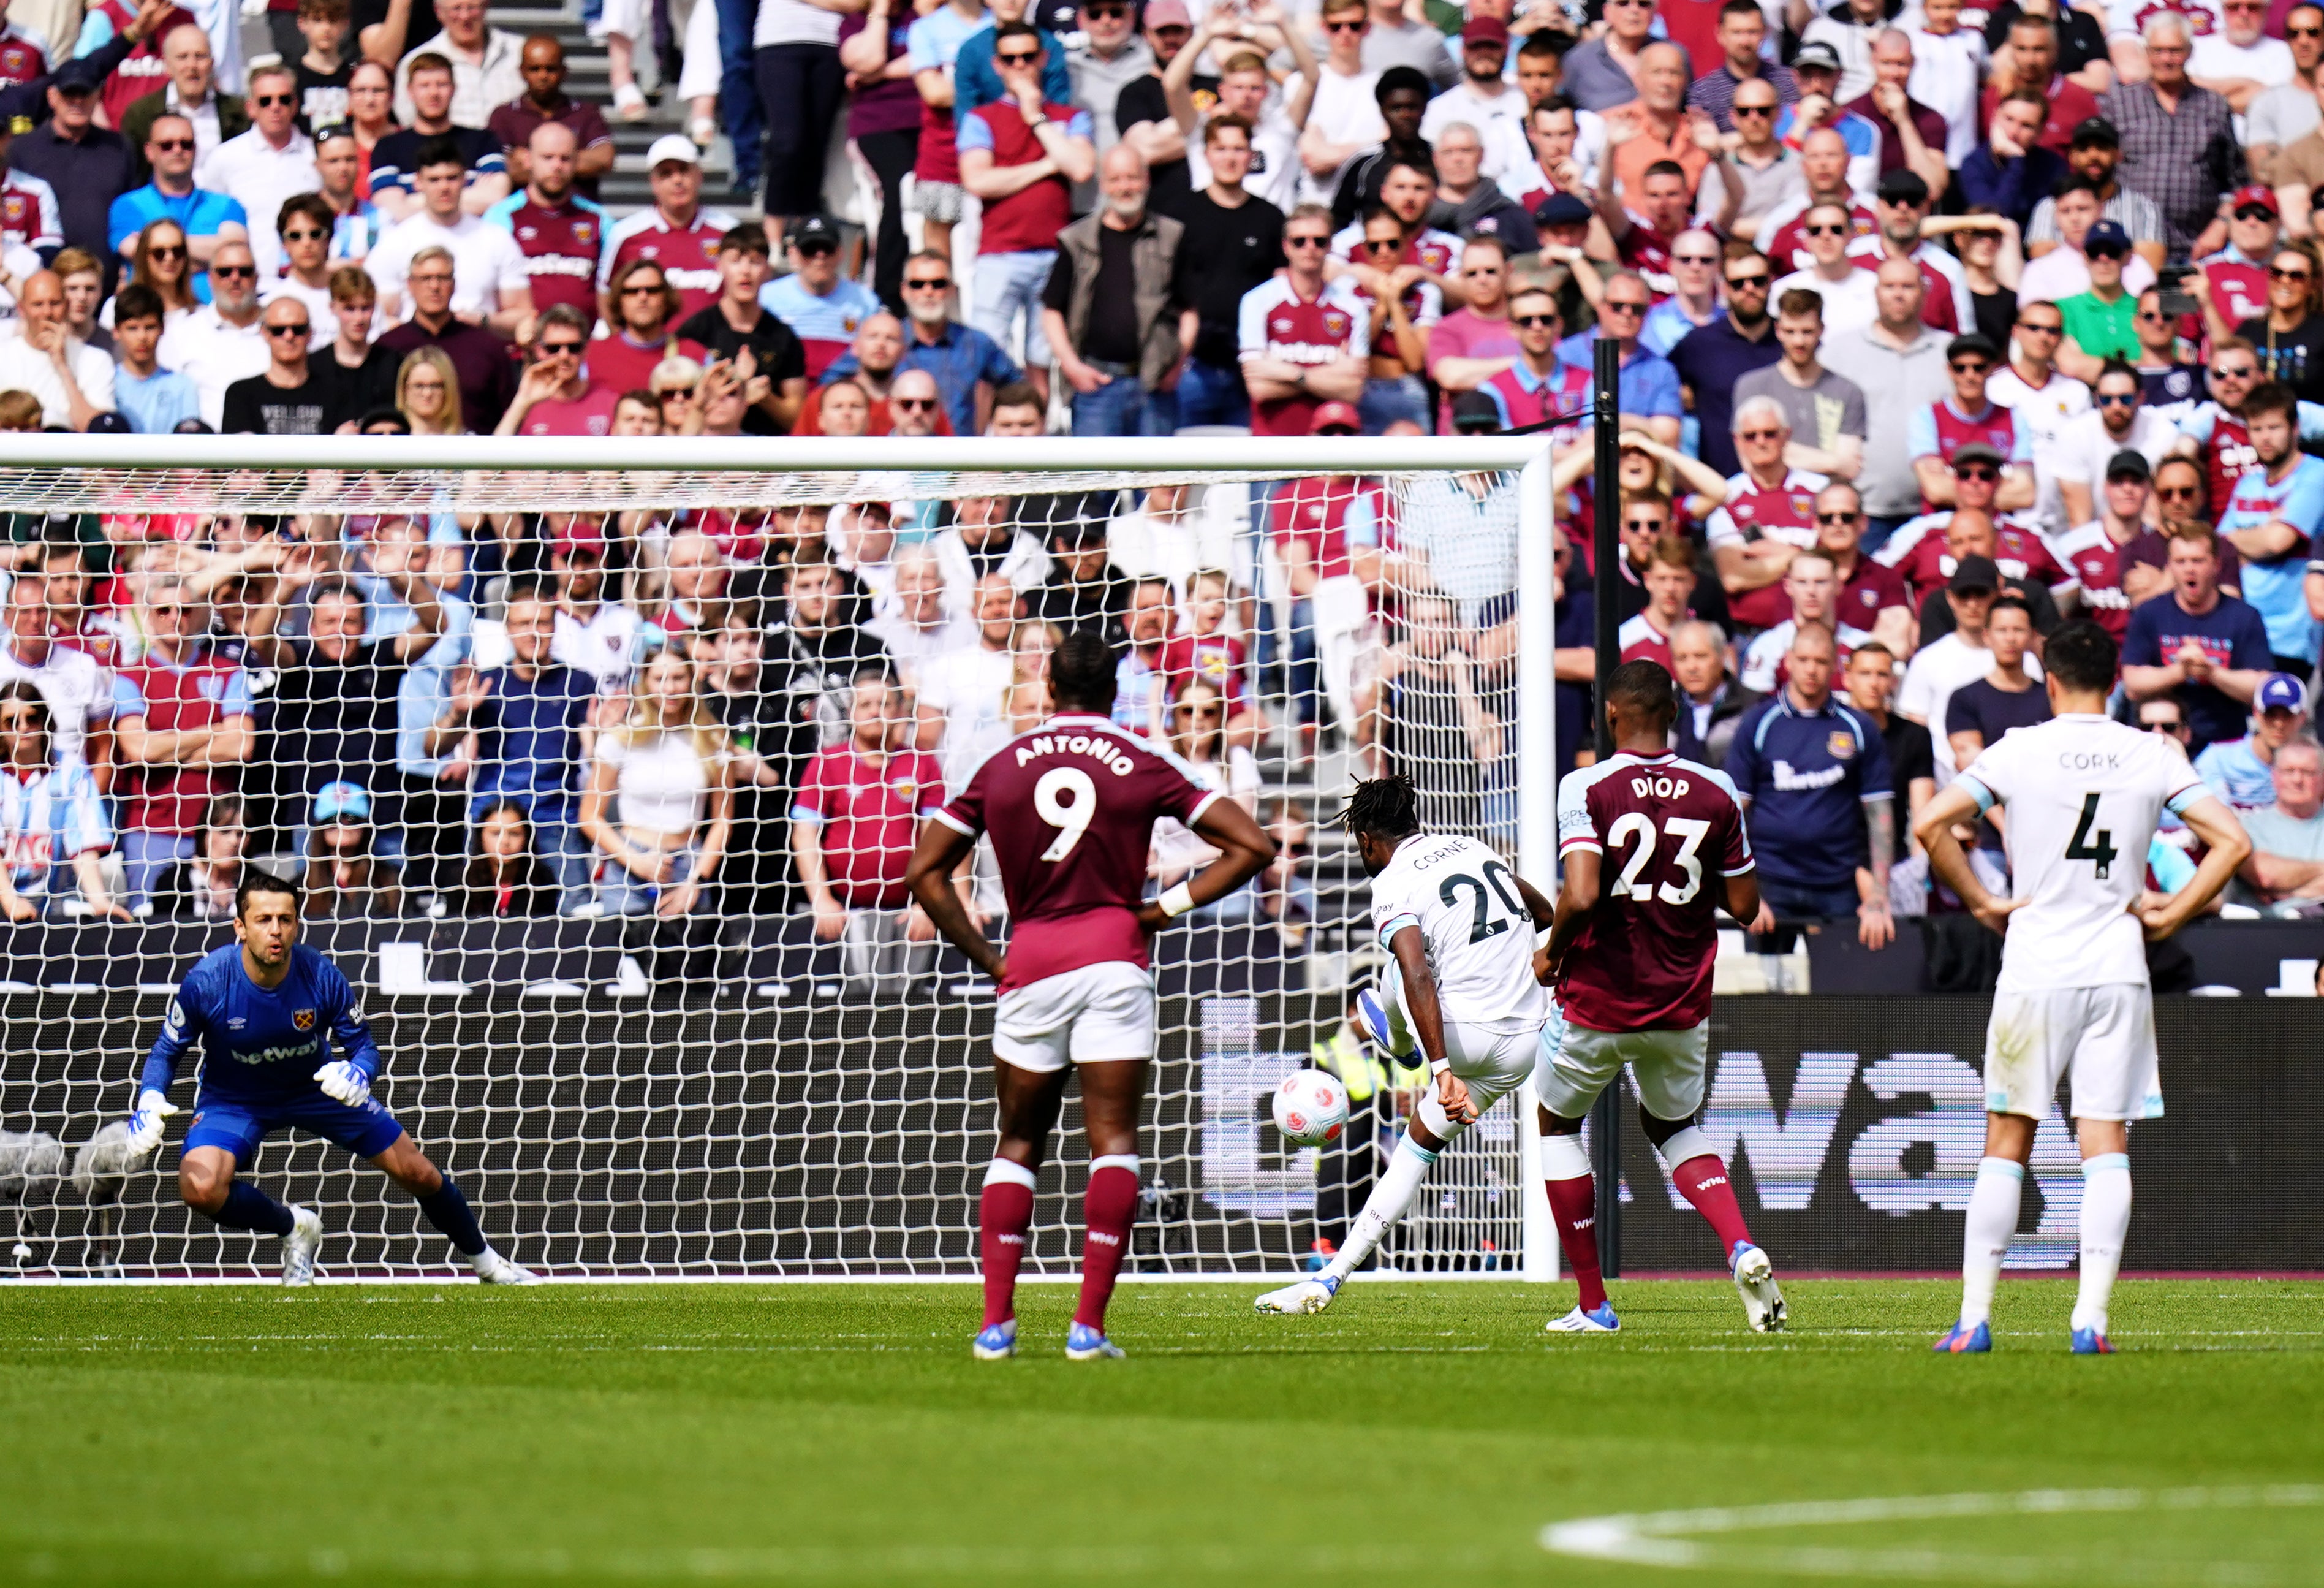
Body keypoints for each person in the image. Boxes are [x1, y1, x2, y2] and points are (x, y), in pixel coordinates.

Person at [905, 629, 1273, 1360]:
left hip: (1031, 961)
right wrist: (1158, 910)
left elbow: (925, 870)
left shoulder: (999, 761)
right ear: (1114, 691)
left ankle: (996, 1325)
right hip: (1114, 957)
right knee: (1113, 1139)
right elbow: (1254, 846)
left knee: (1017, 1140)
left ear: (1046, 686)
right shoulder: (1143, 757)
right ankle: (1088, 1328)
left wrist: (988, 956)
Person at [1915, 620, 2247, 1354]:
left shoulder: (2020, 747)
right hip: (2117, 963)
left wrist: (1979, 900)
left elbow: (1933, 821)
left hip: (2036, 961)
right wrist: (2171, 913)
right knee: (2106, 1143)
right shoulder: (2150, 750)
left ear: (2050, 680)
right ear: (2116, 682)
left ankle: (1974, 1320)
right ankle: (2090, 1322)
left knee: (2007, 1138)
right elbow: (2233, 841)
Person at [1529, 661, 1787, 1332]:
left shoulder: (1586, 784)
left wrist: (1552, 953)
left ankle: (1593, 1304)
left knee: (1557, 1124)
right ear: (1674, 711)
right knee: (1673, 1125)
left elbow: (1582, 893)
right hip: (1679, 999)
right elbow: (1745, 902)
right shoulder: (1718, 788)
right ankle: (1739, 1243)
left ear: (1611, 714)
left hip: (1599, 996)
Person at [120, 870, 537, 1285]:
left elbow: (365, 1048)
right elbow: (166, 1050)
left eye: (285, 919)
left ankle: (488, 1263)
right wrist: (150, 1098)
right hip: (235, 1097)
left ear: (297, 924)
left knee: (419, 1172)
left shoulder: (321, 976)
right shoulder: (207, 981)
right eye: (263, 919)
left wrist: (358, 1072)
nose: (276, 930)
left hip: (315, 1088)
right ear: (240, 927)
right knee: (200, 1187)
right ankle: (294, 1226)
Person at [1250, 770, 1562, 1317]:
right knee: (1413, 1154)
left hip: (1462, 1041)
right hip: (1524, 1044)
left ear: (1368, 841)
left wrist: (1440, 1070)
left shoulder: (1391, 882)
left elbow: (1417, 972)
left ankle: (1396, 1037)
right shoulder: (1472, 846)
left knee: (1396, 969)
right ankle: (1329, 1278)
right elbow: (1545, 915)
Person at [1727, 621, 1896, 944]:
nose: (1811, 670)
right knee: (1764, 993)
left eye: (1820, 662)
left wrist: (1878, 896)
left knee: (1840, 991)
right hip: (1770, 883)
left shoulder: (1858, 727)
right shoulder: (1758, 723)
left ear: (1835, 665)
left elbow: (1880, 817)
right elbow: (1734, 813)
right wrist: (1745, 892)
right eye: (1803, 660)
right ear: (1788, 661)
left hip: (1838, 884)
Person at [960, 23, 1096, 405]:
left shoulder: (1069, 116)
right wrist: (1048, 164)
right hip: (998, 254)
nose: (1020, 65)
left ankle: (1036, 450)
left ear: (1043, 59)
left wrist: (1035, 117)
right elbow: (978, 180)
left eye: (1028, 56)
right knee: (986, 358)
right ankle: (980, 451)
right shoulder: (981, 119)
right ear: (997, 65)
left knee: (1042, 358)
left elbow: (1082, 168)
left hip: (1054, 254)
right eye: (1010, 58)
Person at [1040, 145, 1183, 438]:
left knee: (1158, 482)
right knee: (1096, 483)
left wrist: (1175, 367)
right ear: (1103, 184)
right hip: (1096, 386)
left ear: (1146, 180)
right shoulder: (1076, 240)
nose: (1125, 187)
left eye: (1132, 177)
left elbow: (1189, 310)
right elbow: (1052, 310)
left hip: (1153, 384)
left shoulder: (1171, 236)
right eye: (1116, 179)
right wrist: (1071, 366)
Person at [580, 646, 732, 919]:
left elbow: (724, 820)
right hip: (630, 866)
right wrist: (635, 861)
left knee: (691, 961)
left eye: (678, 678)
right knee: (628, 961)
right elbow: (590, 816)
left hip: (688, 868)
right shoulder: (620, 739)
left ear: (692, 680)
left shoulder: (714, 740)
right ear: (645, 683)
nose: (670, 688)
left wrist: (696, 880)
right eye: (659, 678)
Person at [1168, 115, 1284, 429]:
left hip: (1250, 365)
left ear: (1251, 155)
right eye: (1221, 149)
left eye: (1238, 149)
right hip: (1190, 365)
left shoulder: (1271, 219)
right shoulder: (1179, 215)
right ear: (1206, 154)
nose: (1230, 158)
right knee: (1176, 472)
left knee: (1250, 469)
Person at [2123, 525, 2278, 754]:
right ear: (2170, 567)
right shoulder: (2150, 614)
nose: (2189, 570)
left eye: (2197, 561)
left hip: (2224, 744)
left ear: (2216, 565)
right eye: (2181, 561)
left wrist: (2211, 673)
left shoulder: (2244, 616)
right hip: (2160, 743)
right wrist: (2180, 671)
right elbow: (2133, 683)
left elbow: (2262, 687)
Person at [2102, 13, 2241, 262]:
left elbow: (2235, 180)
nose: (2166, 59)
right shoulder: (2119, 104)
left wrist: (2220, 226)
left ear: (2189, 52)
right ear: (2146, 52)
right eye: (2158, 50)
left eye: (2175, 51)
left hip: (2198, 247)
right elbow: (2100, 171)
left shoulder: (2215, 106)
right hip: (2130, 246)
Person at [1238, 202, 1366, 438]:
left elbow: (1353, 391)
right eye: (1300, 241)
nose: (1310, 248)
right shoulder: (1256, 301)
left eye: (1319, 241)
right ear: (1286, 247)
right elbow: (1259, 388)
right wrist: (1326, 375)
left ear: (1330, 246)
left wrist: (1284, 373)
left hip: (1332, 447)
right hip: (1271, 446)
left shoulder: (1354, 308)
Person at [1706, 394, 1830, 634]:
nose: (1761, 442)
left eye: (1770, 433)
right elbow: (1734, 578)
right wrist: (1802, 556)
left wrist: (1775, 555)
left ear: (1787, 435)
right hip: (1751, 632)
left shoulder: (1821, 491)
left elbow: (1835, 565)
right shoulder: (1725, 497)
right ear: (1738, 441)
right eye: (1751, 436)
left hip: (1818, 630)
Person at [0, 682, 123, 921]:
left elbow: (83, 845)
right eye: (12, 722)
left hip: (53, 905)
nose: (24, 728)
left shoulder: (71, 773)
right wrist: (9, 900)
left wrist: (98, 900)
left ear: (45, 721)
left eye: (32, 718)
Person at [194, 62, 318, 279]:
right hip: (247, 282)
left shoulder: (316, 155)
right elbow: (208, 220)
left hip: (309, 280)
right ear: (251, 108)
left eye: (284, 99)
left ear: (295, 105)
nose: (275, 106)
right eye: (266, 101)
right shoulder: (225, 157)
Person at [373, 243, 517, 428]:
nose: (434, 286)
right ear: (410, 285)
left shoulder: (488, 348)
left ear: (454, 285)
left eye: (442, 278)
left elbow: (508, 413)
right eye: (425, 278)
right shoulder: (386, 348)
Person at [599, 136, 735, 326]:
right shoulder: (625, 235)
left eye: (684, 170)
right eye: (666, 174)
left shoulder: (729, 232)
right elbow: (606, 294)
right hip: (653, 352)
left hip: (714, 352)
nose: (677, 180)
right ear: (654, 183)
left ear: (699, 176)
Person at [482, 120, 608, 325]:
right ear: (528, 160)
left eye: (565, 159)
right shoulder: (501, 217)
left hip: (582, 345)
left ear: (576, 162)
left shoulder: (599, 219)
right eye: (548, 158)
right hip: (520, 346)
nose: (557, 166)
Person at [368, 52, 508, 223]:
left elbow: (495, 197)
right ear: (410, 92)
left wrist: (414, 200)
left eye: (441, 84)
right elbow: (392, 211)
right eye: (424, 86)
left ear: (453, 89)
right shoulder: (387, 148)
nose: (434, 93)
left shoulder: (484, 141)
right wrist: (468, 195)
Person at [108, 111, 249, 274]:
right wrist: (214, 253)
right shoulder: (127, 206)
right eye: (167, 145)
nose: (178, 150)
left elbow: (235, 254)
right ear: (149, 152)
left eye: (186, 144)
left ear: (196, 149)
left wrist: (159, 251)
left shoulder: (227, 205)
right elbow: (135, 252)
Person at [487, 34, 613, 199]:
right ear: (522, 72)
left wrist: (533, 159)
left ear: (564, 72)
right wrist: (575, 160)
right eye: (535, 69)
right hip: (521, 216)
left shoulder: (586, 113)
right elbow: (501, 170)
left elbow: (605, 159)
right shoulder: (504, 116)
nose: (543, 76)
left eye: (550, 69)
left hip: (579, 215)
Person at [760, 214, 882, 379]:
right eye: (810, 249)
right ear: (793, 254)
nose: (820, 257)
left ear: (840, 253)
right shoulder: (767, 298)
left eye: (827, 249)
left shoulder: (865, 300)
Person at [219, 295, 347, 434]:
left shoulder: (338, 393)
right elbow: (240, 452)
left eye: (298, 329)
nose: (289, 336)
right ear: (265, 333)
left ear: (310, 333)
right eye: (278, 330)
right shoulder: (241, 394)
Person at [0, 268, 110, 430]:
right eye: (38, 304)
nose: (47, 313)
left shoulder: (96, 360)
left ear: (66, 307)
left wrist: (62, 365)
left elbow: (97, 430)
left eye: (55, 303)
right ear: (21, 309)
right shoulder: (3, 357)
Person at [2195, 672, 2311, 810]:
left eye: (2288, 715)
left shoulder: (2313, 766)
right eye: (2270, 714)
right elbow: (2207, 814)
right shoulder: (2218, 758)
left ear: (2303, 717)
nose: (2279, 724)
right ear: (2256, 713)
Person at [2232, 737, 2324, 908]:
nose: (2297, 780)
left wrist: (2289, 890)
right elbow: (2266, 875)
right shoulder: (2248, 826)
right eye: (2289, 771)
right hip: (2270, 929)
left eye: (2308, 772)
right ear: (2274, 777)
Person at [1772, 200, 1879, 338]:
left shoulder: (1876, 287)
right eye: (1816, 230)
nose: (1826, 236)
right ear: (1806, 239)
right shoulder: (1781, 290)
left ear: (1851, 235)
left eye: (1836, 229)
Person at [110, 281, 199, 432]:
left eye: (150, 327)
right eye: (132, 328)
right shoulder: (107, 384)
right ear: (117, 332)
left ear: (162, 328)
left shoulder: (182, 385)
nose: (142, 337)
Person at [456, 798, 558, 917]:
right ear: (480, 837)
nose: (505, 841)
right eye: (496, 833)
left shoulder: (542, 879)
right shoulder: (461, 880)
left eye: (514, 834)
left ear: (527, 838)